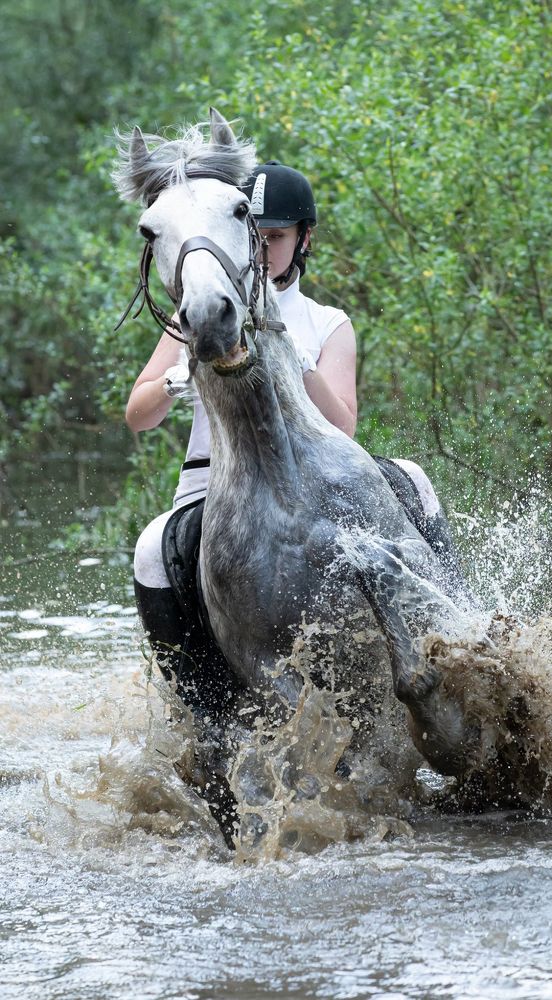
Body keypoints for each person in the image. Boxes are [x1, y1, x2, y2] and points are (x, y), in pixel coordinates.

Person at [127, 161, 463, 688]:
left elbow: (342, 425)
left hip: (316, 465)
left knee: (414, 477)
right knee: (151, 549)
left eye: (275, 237)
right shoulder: (194, 312)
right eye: (251, 235)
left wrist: (292, 356)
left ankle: (461, 625)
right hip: (213, 480)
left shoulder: (328, 322)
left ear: (304, 239)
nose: (259, 248)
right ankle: (205, 707)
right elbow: (137, 415)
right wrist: (175, 379)